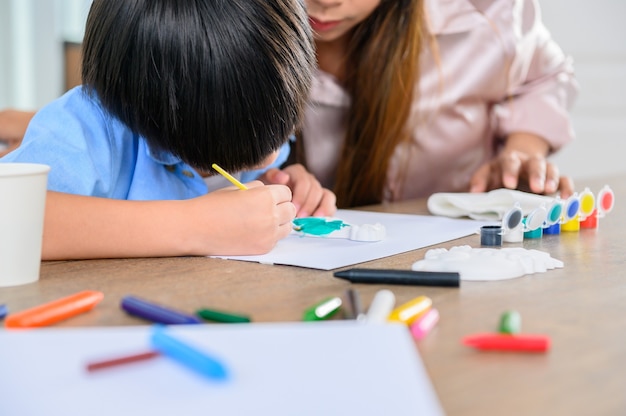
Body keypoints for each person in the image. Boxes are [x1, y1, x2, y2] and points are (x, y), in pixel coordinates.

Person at [0, 0, 336, 260]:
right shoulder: (89, 128)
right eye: (241, 149)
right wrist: (196, 226)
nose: (270, 152)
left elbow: (263, 161)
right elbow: (10, 220)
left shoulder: (248, 119)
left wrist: (283, 182)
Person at [296, 0, 578, 208]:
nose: (325, 1)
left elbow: (546, 77)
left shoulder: (488, 11)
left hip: (459, 241)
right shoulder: (255, 23)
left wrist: (522, 152)